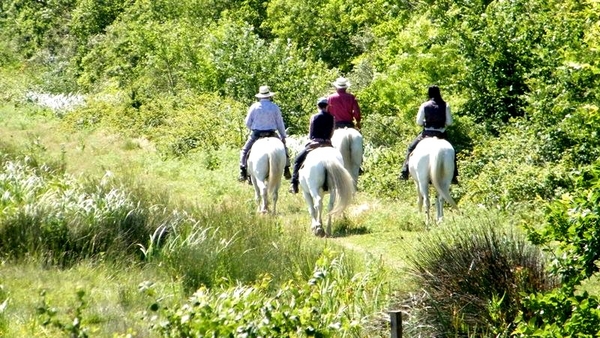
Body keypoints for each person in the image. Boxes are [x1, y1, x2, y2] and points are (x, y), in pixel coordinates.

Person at [399, 85, 459, 184]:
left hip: (427, 134)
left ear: (429, 93)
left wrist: (424, 122)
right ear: (439, 93)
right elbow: (449, 122)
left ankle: (404, 172)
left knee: (411, 148)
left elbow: (418, 122)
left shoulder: (425, 105)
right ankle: (453, 176)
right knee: (453, 151)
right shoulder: (445, 105)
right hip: (441, 134)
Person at [239, 85, 291, 182]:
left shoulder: (254, 107)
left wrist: (253, 128)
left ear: (259, 96)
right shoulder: (274, 107)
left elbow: (247, 123)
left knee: (244, 150)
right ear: (269, 96)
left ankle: (242, 171)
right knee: (284, 148)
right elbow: (280, 123)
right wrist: (283, 136)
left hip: (257, 134)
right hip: (272, 133)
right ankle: (287, 168)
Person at [289, 97, 335, 194]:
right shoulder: (332, 118)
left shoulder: (314, 117)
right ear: (327, 106)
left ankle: (294, 183)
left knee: (297, 160)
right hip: (327, 144)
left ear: (317, 106)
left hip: (315, 144)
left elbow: (311, 134)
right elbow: (331, 133)